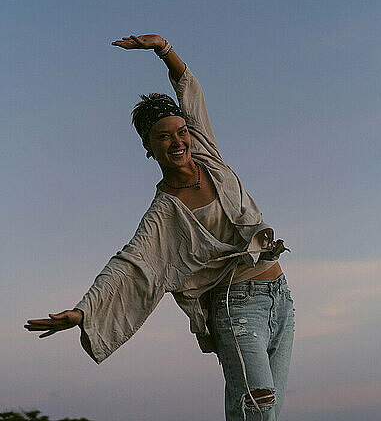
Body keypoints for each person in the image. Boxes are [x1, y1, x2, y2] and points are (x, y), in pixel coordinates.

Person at [25, 34, 295, 421]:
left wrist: (163, 49)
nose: (177, 140)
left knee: (267, 412)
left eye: (181, 131)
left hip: (281, 297)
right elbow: (130, 265)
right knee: (258, 403)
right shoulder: (163, 213)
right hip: (237, 308)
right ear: (148, 147)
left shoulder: (207, 153)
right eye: (164, 136)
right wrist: (84, 312)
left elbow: (191, 89)